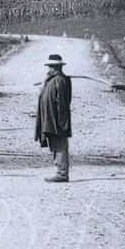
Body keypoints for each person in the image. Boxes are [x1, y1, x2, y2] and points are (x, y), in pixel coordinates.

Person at [35, 53, 72, 183]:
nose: (48, 69)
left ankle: (62, 174)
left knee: (60, 144)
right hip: (51, 119)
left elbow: (61, 103)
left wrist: (61, 123)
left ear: (55, 67)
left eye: (50, 66)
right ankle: (60, 171)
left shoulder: (60, 81)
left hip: (57, 120)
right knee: (56, 145)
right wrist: (45, 80)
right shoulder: (53, 80)